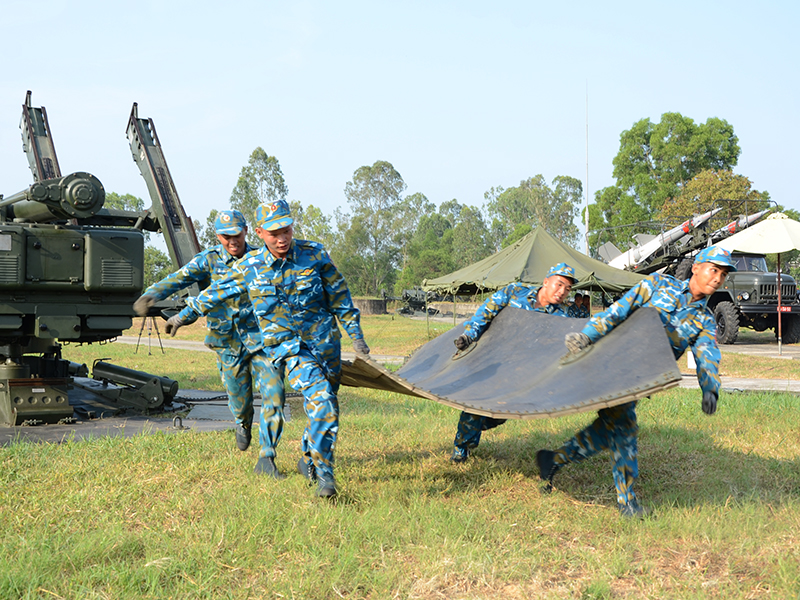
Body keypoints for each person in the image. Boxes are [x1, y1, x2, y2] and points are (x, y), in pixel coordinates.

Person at [164, 200, 369, 498]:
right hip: (292, 350)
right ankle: (326, 479)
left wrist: (357, 338)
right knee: (323, 402)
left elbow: (340, 297)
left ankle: (309, 458)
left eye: (285, 229)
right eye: (274, 233)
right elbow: (215, 292)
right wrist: (182, 317)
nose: (282, 238)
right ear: (259, 232)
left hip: (326, 346)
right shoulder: (250, 267)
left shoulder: (314, 254)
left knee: (324, 408)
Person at [536, 246, 737, 518]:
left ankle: (553, 460)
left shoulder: (704, 320)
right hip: (611, 362)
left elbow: (707, 356)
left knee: (609, 429)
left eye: (723, 275)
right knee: (625, 427)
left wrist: (710, 389)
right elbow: (620, 310)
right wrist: (587, 335)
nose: (717, 278)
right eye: (714, 270)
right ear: (696, 268)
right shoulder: (658, 284)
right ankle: (627, 502)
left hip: (640, 379)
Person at [133, 210, 266, 453]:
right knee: (238, 391)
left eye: (237, 234)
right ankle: (243, 422)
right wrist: (151, 295)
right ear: (218, 236)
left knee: (272, 389)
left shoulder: (260, 258)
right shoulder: (209, 260)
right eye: (226, 236)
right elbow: (178, 279)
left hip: (260, 336)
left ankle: (268, 451)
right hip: (226, 339)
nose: (232, 241)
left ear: (246, 231)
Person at [450, 263, 578, 462]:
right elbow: (486, 312)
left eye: (568, 289)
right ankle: (462, 448)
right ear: (546, 282)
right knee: (476, 404)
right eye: (559, 285)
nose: (562, 292)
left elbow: (557, 348)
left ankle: (477, 426)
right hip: (492, 359)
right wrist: (469, 336)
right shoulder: (514, 292)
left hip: (519, 371)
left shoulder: (561, 315)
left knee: (499, 414)